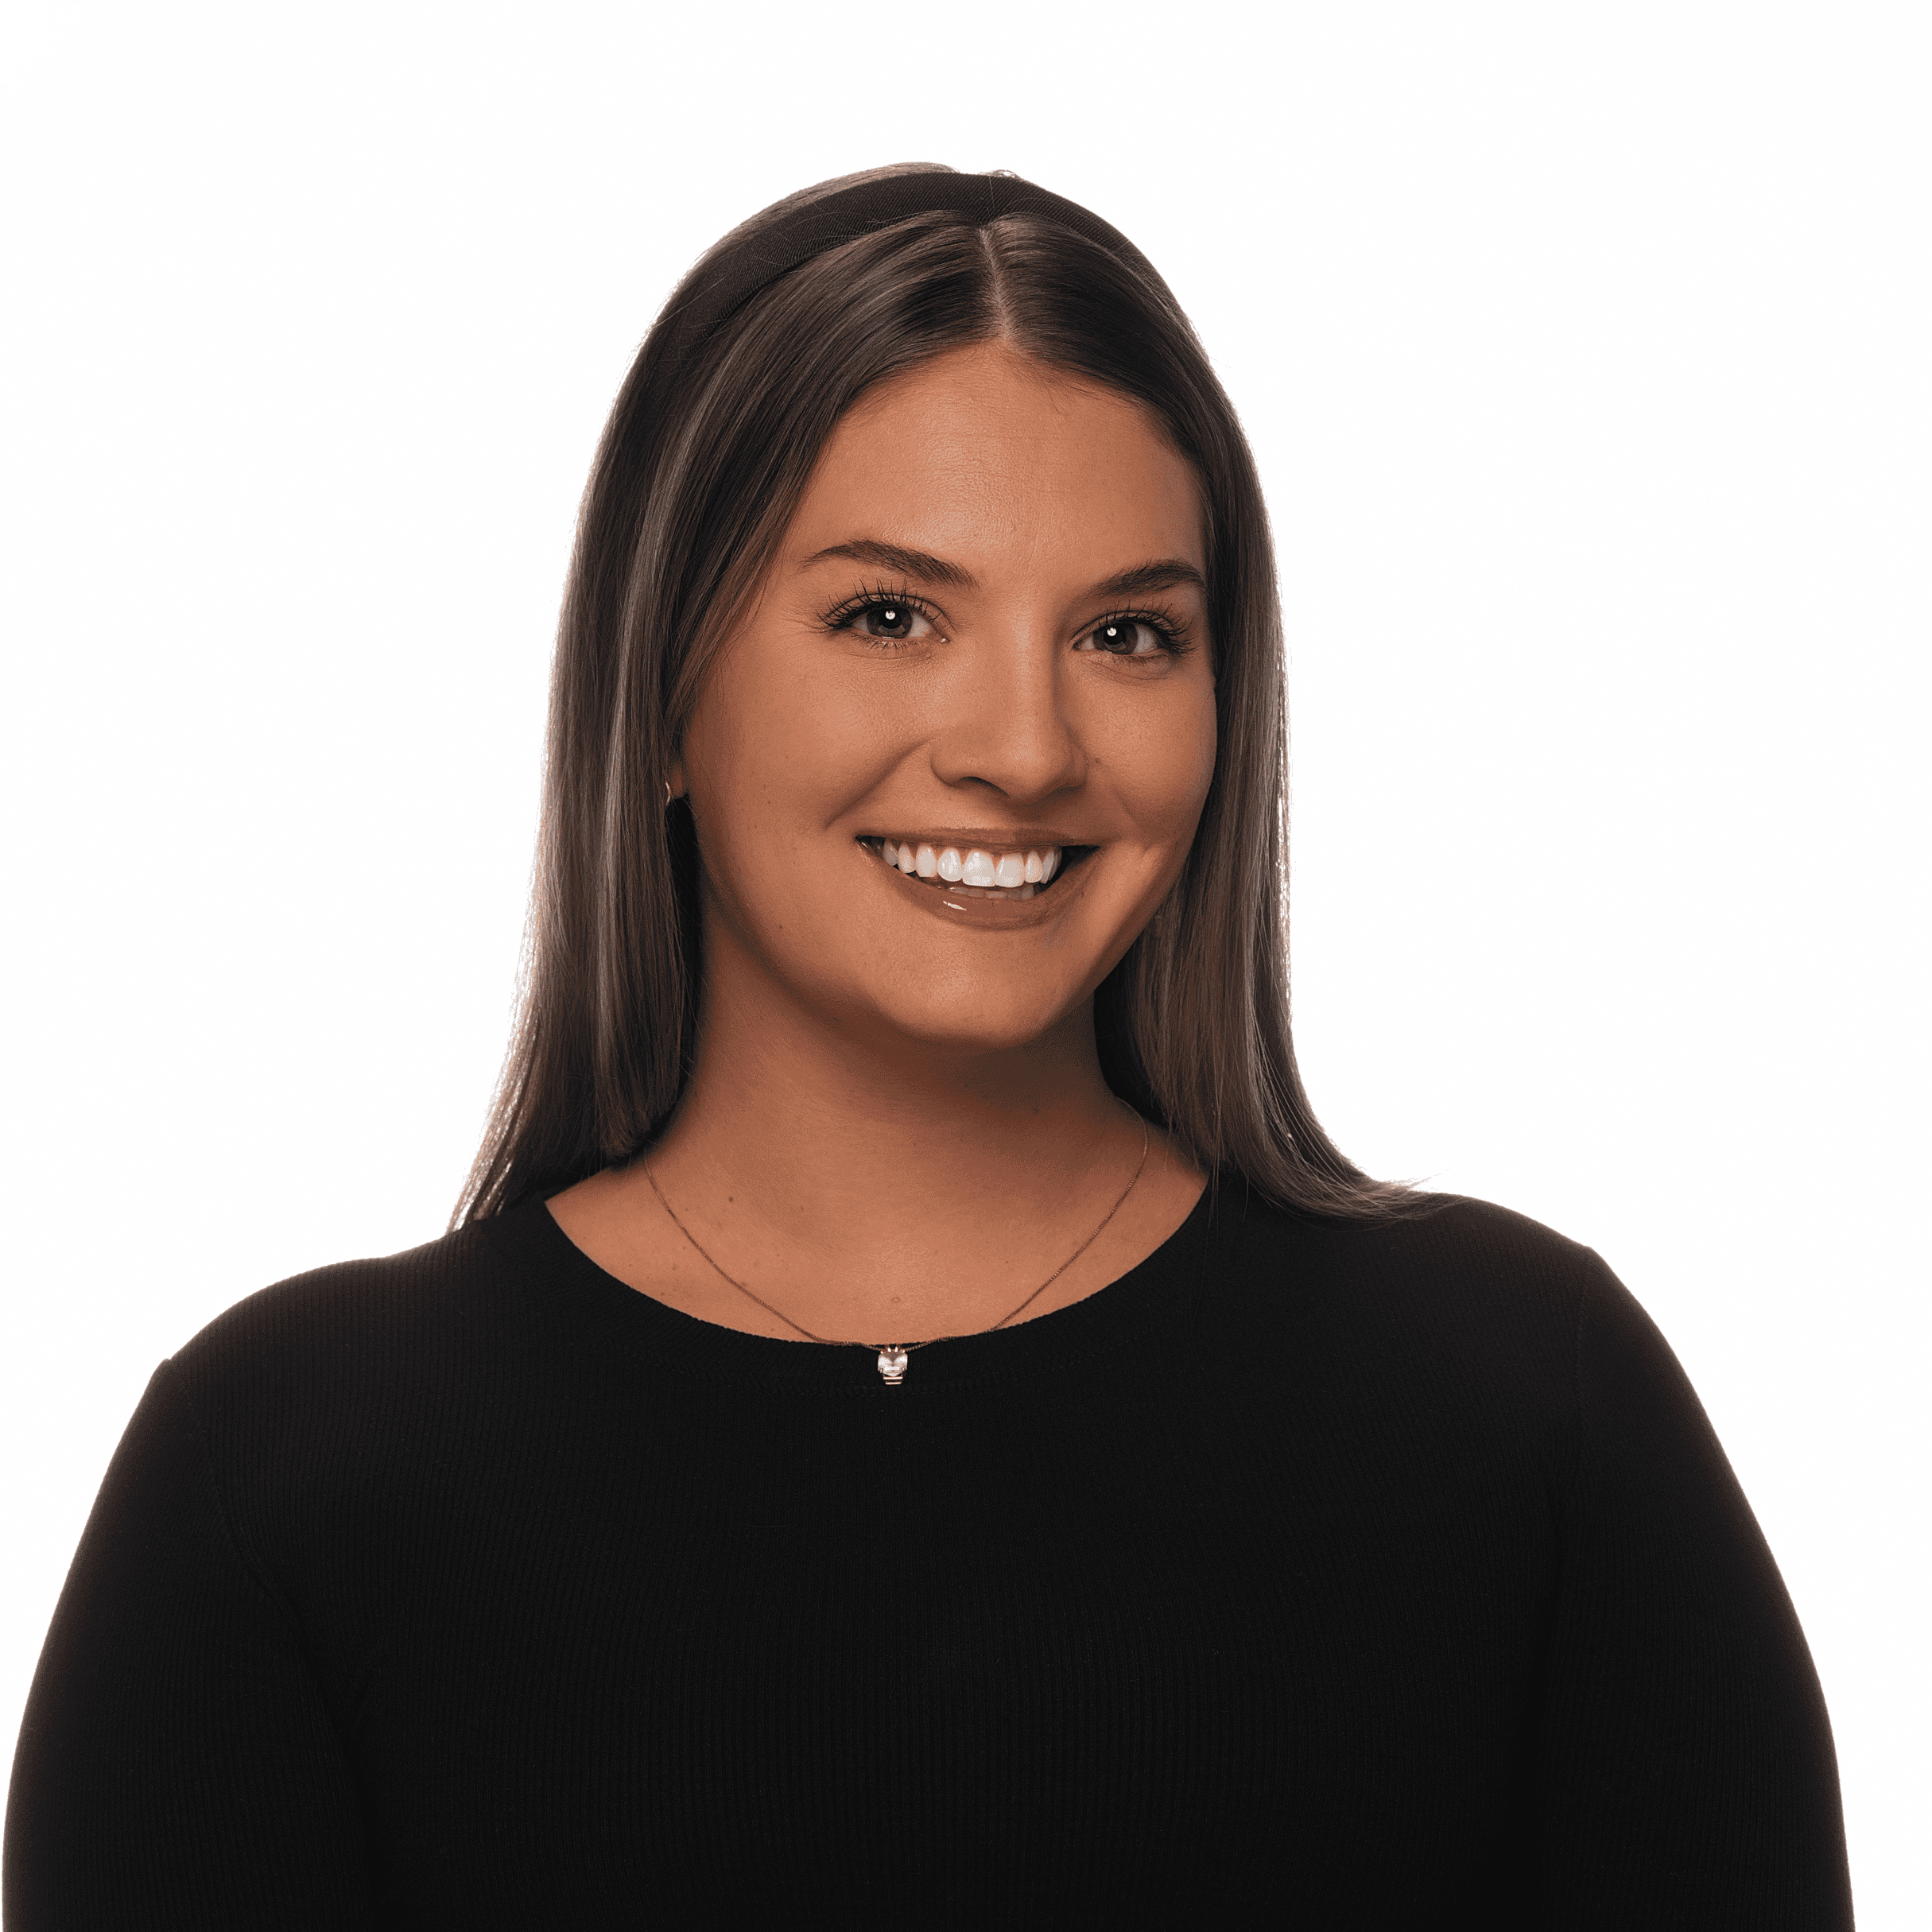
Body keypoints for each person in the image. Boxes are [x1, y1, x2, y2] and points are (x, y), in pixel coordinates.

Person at [3, 165, 1853, 1928]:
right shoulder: (284, 1478)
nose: (1025, 750)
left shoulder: (1528, 1413)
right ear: (663, 691)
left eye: (1128, 633)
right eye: (890, 616)